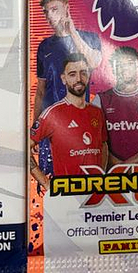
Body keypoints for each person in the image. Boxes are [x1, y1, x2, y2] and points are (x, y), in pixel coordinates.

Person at [33, 0, 102, 175]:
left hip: (80, 123)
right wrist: (35, 128)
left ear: (67, 9)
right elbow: (40, 90)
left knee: (82, 175)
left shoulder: (89, 38)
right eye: (46, 12)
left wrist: (72, 32)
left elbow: (94, 62)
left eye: (54, 9)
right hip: (50, 124)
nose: (49, 15)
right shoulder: (44, 46)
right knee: (52, 177)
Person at [29, 55, 108, 192]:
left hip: (95, 193)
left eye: (83, 73)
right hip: (67, 194)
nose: (78, 79)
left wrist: (101, 176)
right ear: (63, 78)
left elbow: (104, 145)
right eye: (72, 74)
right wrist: (46, 183)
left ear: (88, 76)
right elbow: (24, 148)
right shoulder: (52, 114)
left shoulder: (97, 112)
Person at [92, 47, 138, 167]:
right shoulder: (100, 100)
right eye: (120, 65)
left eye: (130, 63)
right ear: (113, 69)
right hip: (113, 174)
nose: (125, 68)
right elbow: (96, 143)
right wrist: (120, 166)